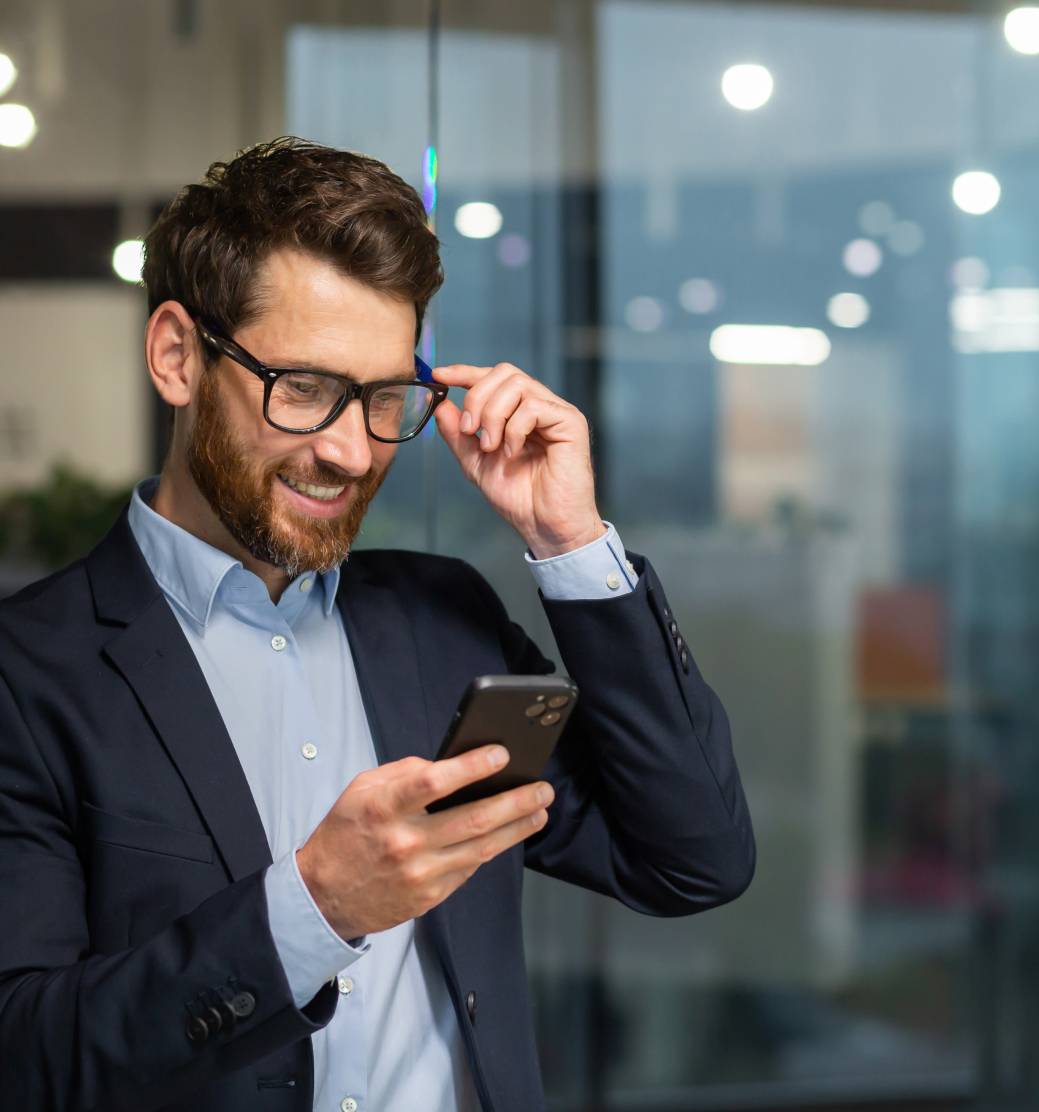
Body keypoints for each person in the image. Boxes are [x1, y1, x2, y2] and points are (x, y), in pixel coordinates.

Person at [0, 137, 755, 1112]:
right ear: (178, 355)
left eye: (386, 397)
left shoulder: (441, 622)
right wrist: (310, 909)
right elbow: (20, 1056)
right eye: (305, 388)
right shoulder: (27, 673)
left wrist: (567, 539)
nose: (352, 451)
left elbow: (691, 856)